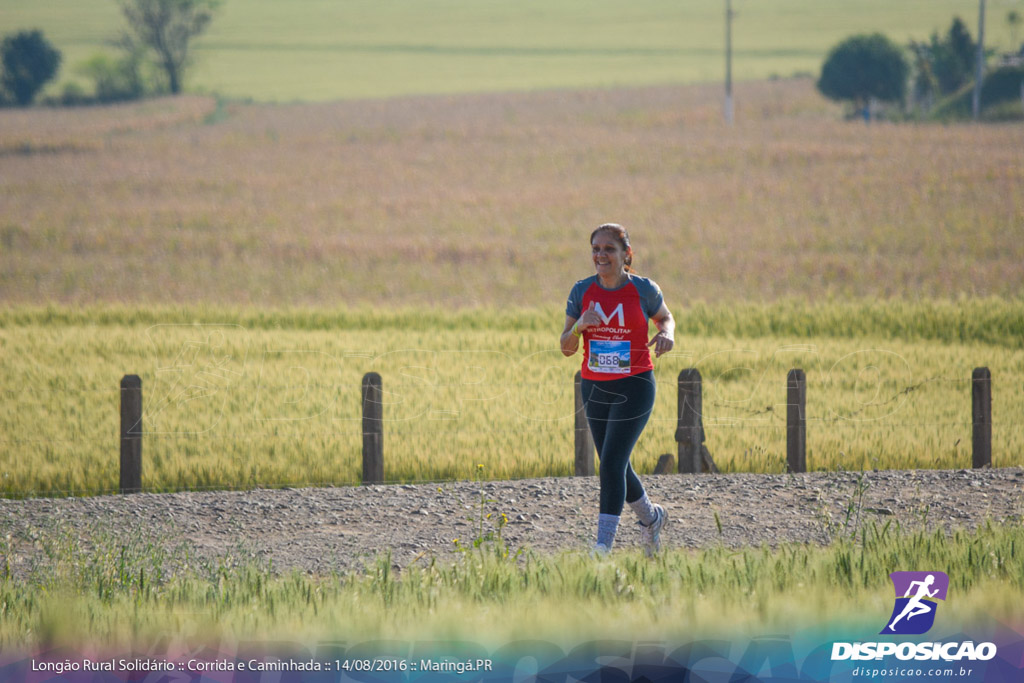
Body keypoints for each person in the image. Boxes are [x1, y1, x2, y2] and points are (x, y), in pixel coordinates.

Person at [559, 223, 675, 557]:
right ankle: (652, 519)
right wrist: (581, 325)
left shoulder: (644, 289)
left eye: (609, 249)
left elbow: (666, 318)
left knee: (610, 464)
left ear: (626, 255)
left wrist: (667, 333)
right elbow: (566, 347)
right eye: (595, 249)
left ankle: (601, 550)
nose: (600, 255)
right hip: (595, 387)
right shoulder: (581, 291)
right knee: (617, 464)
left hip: (635, 385)